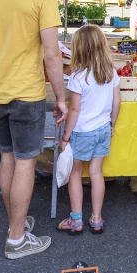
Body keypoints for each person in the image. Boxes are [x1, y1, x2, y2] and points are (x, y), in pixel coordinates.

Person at [0, 0, 67, 260]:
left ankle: (16, 222)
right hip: (26, 92)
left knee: (7, 157)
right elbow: (53, 55)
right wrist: (61, 97)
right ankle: (16, 238)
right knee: (26, 160)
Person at [58, 25, 121, 235]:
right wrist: (112, 124)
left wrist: (65, 136)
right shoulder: (110, 72)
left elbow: (74, 110)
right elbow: (116, 102)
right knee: (96, 173)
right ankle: (96, 218)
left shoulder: (78, 77)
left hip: (82, 131)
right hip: (103, 129)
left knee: (75, 174)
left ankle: (76, 219)